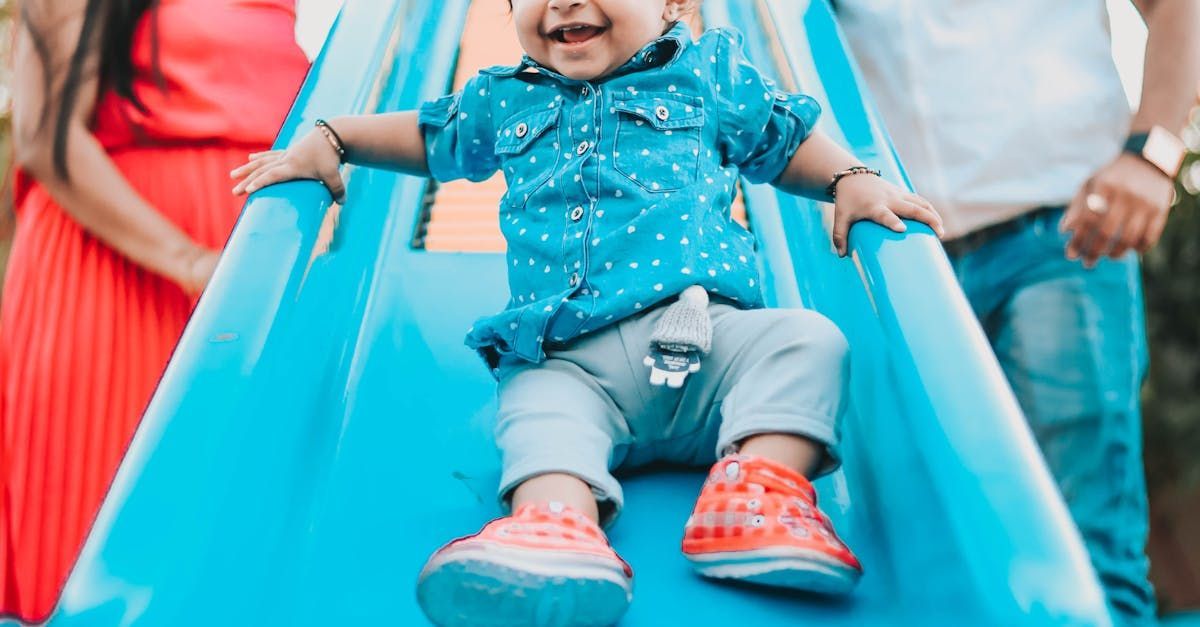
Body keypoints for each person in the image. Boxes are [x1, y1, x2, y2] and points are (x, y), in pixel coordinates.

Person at [233, 0, 943, 624]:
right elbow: (430, 134)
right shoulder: (506, 99)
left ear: (672, 1)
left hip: (712, 352)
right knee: (534, 402)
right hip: (577, 367)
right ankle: (556, 524)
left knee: (807, 340)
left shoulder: (707, 73)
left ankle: (758, 488)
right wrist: (332, 138)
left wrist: (851, 179)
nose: (564, 1)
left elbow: (780, 138)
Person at [835, 0, 1200, 624]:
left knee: (1084, 542)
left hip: (1059, 233)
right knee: (930, 555)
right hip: (897, 261)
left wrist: (1151, 154)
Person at [2, 0, 308, 621]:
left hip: (250, 279)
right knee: (99, 524)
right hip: (118, 273)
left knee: (236, 533)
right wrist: (191, 261)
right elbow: (45, 136)